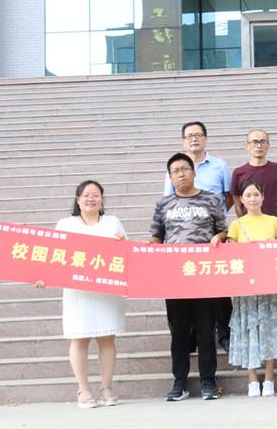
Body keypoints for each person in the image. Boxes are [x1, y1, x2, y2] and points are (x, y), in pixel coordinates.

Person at [35, 180, 127, 408]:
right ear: (78, 200)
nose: (91, 199)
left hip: (107, 290)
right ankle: (83, 389)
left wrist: (121, 244)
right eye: (86, 195)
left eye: (96, 194)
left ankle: (106, 387)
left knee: (107, 338)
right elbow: (53, 254)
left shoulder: (112, 222)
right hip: (78, 292)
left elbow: (127, 253)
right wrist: (44, 275)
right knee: (79, 338)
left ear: (102, 200)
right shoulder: (66, 224)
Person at [148, 153, 227, 401]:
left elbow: (223, 230)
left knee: (206, 331)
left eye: (184, 169)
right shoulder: (163, 204)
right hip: (175, 279)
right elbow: (156, 236)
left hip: (204, 276)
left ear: (194, 172)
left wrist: (219, 237)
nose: (181, 174)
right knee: (179, 332)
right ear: (170, 177)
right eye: (175, 171)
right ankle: (180, 382)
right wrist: (148, 248)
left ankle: (208, 381)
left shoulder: (211, 199)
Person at [163, 121, 233, 352]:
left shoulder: (219, 165)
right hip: (183, 240)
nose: (194, 139)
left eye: (198, 135)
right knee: (189, 289)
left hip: (213, 237)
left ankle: (225, 333)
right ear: (183, 141)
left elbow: (228, 197)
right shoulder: (175, 168)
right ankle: (191, 337)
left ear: (205, 138)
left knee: (219, 288)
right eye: (189, 136)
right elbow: (169, 202)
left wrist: (214, 223)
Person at [226, 180, 277, 397]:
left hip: (269, 285)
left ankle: (270, 377)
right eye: (248, 195)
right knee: (248, 328)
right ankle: (252, 377)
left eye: (256, 194)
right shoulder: (236, 225)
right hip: (246, 286)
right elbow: (232, 255)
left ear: (263, 197)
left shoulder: (274, 221)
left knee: (270, 327)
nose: (252, 199)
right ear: (241, 200)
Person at [231, 129, 277, 218]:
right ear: (247, 146)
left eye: (263, 142)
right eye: (254, 142)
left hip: (272, 222)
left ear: (268, 145)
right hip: (249, 223)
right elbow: (237, 204)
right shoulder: (238, 173)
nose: (259, 146)